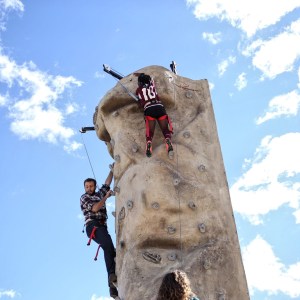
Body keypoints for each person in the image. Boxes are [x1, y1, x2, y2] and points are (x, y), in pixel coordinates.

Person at [80, 165, 118, 299]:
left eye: (91, 186)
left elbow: (106, 183)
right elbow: (95, 209)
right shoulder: (84, 198)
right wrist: (106, 198)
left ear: (94, 187)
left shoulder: (98, 193)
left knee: (110, 250)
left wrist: (112, 170)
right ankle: (112, 276)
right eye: (87, 186)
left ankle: (113, 287)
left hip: (102, 227)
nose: (89, 188)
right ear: (84, 188)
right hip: (92, 226)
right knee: (108, 245)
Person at [135, 73, 174, 158]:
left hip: (149, 109)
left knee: (150, 131)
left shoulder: (138, 90)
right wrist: (141, 75)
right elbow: (150, 77)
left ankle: (149, 143)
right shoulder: (152, 85)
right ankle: (168, 140)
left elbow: (140, 102)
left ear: (140, 83)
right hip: (159, 107)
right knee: (165, 129)